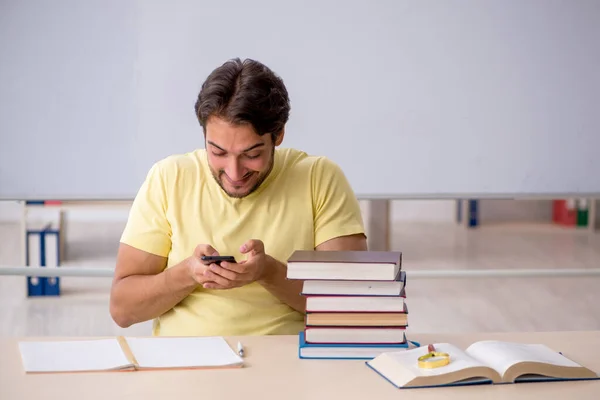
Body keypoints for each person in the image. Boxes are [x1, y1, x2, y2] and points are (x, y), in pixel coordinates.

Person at [109, 58, 367, 336]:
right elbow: (123, 311)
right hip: (187, 362)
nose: (233, 172)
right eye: (218, 152)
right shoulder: (169, 177)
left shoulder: (319, 177)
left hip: (287, 362)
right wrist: (187, 274)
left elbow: (352, 307)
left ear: (278, 135)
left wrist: (268, 271)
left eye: (251, 154)